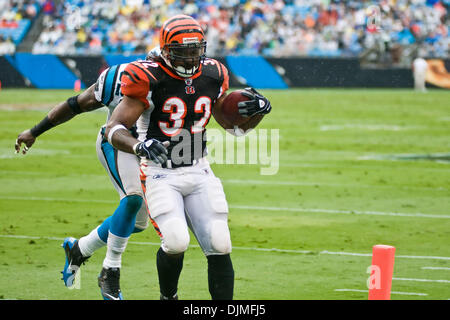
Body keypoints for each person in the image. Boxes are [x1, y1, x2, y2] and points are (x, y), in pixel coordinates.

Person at [104, 14, 272, 300]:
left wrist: (257, 113)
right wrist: (138, 146)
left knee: (220, 243)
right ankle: (168, 298)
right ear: (167, 51)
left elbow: (234, 129)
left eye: (197, 50)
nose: (192, 59)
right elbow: (114, 130)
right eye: (184, 52)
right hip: (160, 172)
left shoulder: (213, 73)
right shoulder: (148, 76)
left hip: (198, 168)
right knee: (176, 241)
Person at [14, 49, 162, 300]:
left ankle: (79, 248)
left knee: (136, 223)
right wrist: (35, 130)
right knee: (133, 198)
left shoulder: (188, 81)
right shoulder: (119, 77)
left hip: (154, 150)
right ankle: (110, 272)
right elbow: (76, 104)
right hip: (117, 142)